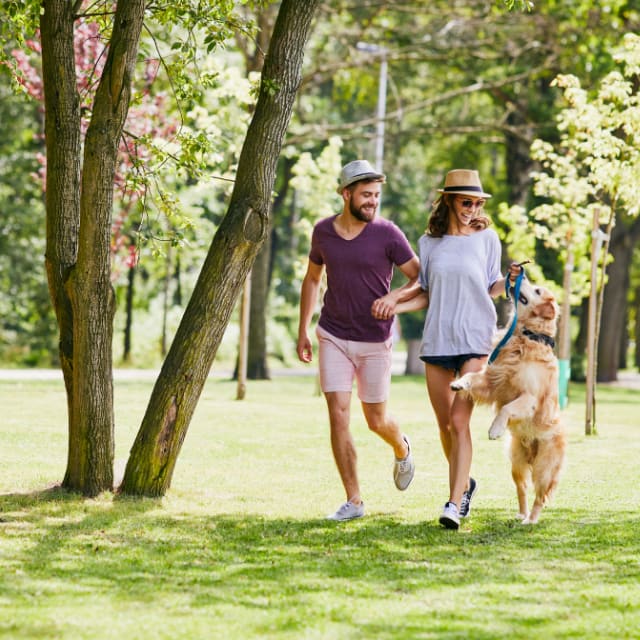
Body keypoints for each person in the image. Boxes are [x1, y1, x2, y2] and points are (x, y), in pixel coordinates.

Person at [388, 169, 521, 530]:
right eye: (466, 202)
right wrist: (394, 306)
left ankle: (454, 501)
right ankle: (466, 484)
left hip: (475, 338)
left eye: (477, 203)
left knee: (461, 421)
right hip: (438, 339)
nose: (472, 208)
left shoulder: (487, 238)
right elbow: (427, 292)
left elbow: (492, 285)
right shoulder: (429, 243)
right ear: (448, 200)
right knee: (445, 425)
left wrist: (508, 282)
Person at [297, 159, 421, 521]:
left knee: (376, 420)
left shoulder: (388, 234)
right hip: (333, 334)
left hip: (374, 339)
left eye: (377, 196)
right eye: (366, 195)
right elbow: (311, 279)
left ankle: (401, 447)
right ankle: (353, 500)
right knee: (338, 416)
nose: (372, 202)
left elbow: (417, 277)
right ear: (346, 194)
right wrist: (303, 328)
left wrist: (393, 298)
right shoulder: (323, 232)